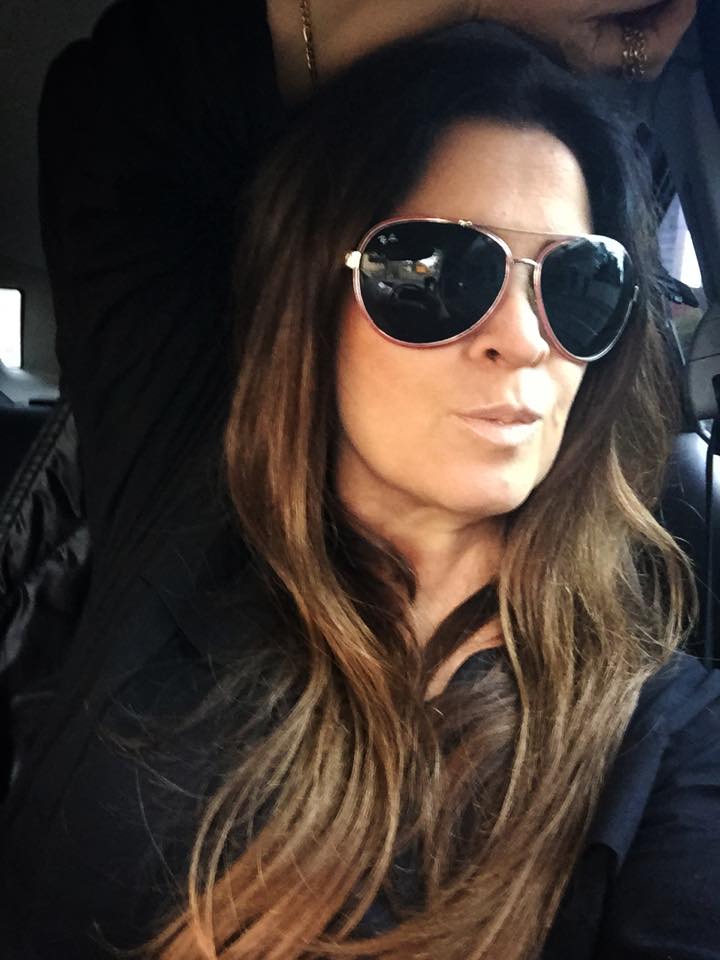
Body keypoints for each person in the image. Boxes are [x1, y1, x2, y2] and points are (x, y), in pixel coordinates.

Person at [2, 15, 720, 960]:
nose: (524, 339)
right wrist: (512, 6)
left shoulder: (660, 743)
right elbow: (124, 102)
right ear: (312, 293)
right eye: (435, 270)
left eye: (578, 281)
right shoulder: (181, 510)